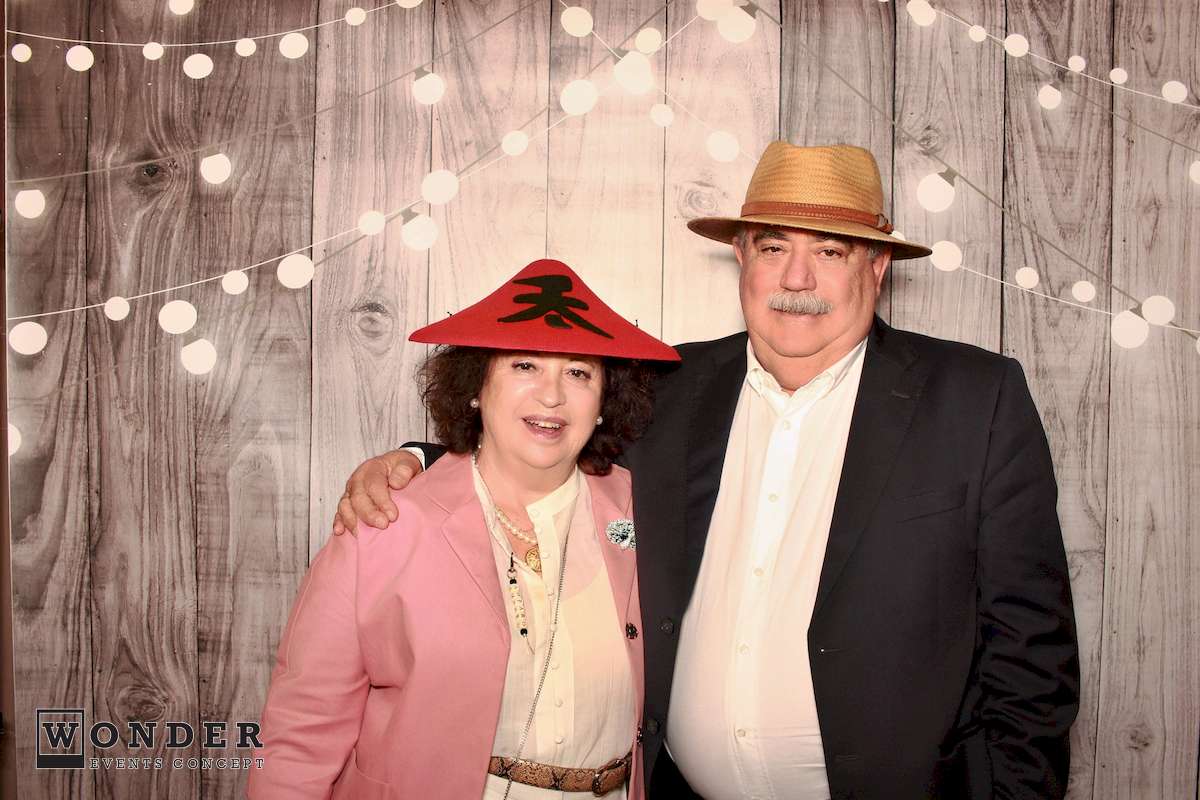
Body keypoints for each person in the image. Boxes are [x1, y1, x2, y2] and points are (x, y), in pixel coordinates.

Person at [334, 143, 1080, 799]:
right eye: (773, 247)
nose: (796, 277)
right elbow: (545, 444)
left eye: (830, 252)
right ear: (742, 258)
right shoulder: (668, 386)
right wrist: (419, 460)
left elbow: (1032, 654)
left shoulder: (976, 399)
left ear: (877, 267)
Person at [249, 258, 680, 799]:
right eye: (525, 365)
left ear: (603, 402)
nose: (551, 395)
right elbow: (302, 730)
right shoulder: (384, 523)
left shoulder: (648, 513)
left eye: (578, 372)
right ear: (476, 386)